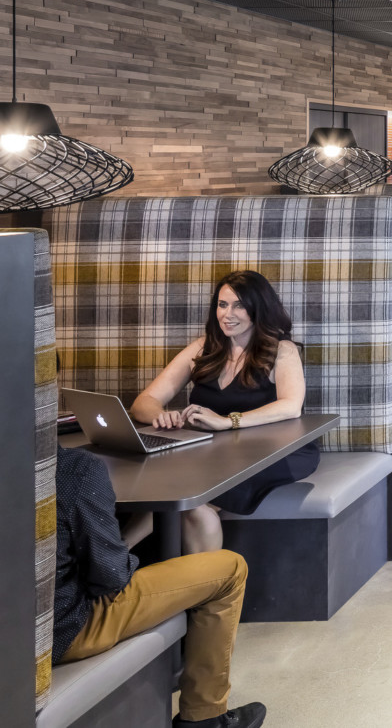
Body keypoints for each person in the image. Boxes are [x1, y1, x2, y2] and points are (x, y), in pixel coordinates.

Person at [53, 445, 266, 728]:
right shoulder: (73, 470)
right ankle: (205, 717)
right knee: (230, 569)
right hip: (64, 629)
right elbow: (111, 577)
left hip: (15, 631)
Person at [130, 270, 309, 554]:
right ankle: (114, 560)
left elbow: (291, 406)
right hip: (216, 453)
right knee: (180, 498)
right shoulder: (203, 348)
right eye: (222, 304)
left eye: (239, 305)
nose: (228, 314)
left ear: (258, 309)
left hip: (272, 453)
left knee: (189, 501)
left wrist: (228, 422)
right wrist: (160, 415)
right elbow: (145, 400)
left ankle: (112, 556)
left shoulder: (282, 350)